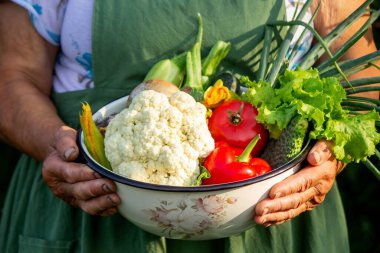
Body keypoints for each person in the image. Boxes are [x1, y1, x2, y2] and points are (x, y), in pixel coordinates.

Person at [0, 0, 378, 252]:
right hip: (85, 211)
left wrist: (330, 156)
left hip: (271, 220)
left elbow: (364, 72)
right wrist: (54, 143)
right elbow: (10, 74)